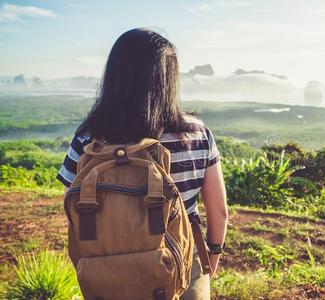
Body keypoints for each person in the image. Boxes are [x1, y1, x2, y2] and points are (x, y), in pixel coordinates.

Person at [56, 28, 228, 300]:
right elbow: (218, 210)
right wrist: (212, 256)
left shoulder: (88, 136)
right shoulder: (196, 134)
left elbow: (72, 204)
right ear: (169, 79)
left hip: (107, 265)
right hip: (182, 258)